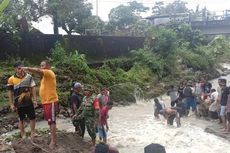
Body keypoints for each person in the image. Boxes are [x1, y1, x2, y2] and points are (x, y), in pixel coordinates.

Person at [22, 60, 58, 149]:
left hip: (51, 101)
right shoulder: (44, 77)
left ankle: (53, 141)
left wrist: (27, 68)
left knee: (52, 121)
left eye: (43, 65)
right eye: (40, 65)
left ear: (48, 66)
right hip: (46, 102)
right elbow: (39, 73)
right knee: (50, 121)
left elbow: (38, 71)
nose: (41, 67)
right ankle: (52, 139)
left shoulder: (49, 72)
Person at [7, 62, 37, 139]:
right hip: (18, 103)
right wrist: (11, 104)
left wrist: (35, 100)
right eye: (19, 68)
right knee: (21, 119)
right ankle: (23, 134)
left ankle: (33, 133)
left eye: (22, 68)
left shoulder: (29, 77)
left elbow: (33, 88)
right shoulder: (11, 79)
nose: (21, 70)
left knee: (32, 117)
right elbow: (10, 92)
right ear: (15, 69)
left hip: (29, 101)